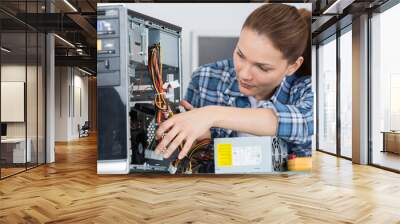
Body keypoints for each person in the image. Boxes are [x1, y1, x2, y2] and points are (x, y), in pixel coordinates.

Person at [155, 3, 313, 160]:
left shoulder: (304, 89)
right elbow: (189, 157)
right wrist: (203, 141)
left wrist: (211, 114)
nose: (244, 74)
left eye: (262, 67)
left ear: (293, 66)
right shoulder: (205, 78)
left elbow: (305, 123)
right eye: (240, 55)